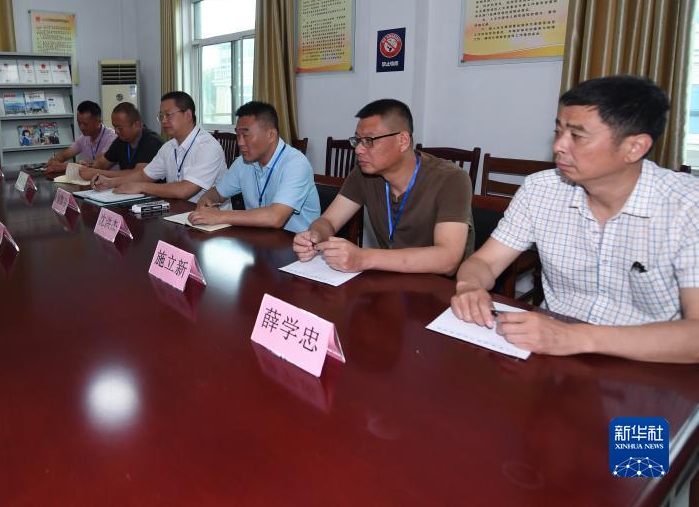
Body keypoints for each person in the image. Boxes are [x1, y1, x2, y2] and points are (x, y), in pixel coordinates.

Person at [452, 75, 699, 364]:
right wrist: (470, 287)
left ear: (635, 147)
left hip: (649, 362)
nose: (559, 145)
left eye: (577, 136)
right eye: (558, 132)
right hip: (551, 354)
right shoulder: (541, 189)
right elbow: (484, 262)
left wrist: (575, 337)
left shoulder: (687, 207)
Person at [293, 99, 473, 274]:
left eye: (368, 140)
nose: (358, 149)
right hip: (390, 277)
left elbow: (447, 259)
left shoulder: (451, 178)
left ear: (403, 140)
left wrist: (363, 258)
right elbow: (329, 221)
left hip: (443, 286)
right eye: (357, 140)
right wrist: (314, 236)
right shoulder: (364, 173)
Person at [189, 101, 319, 232]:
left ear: (271, 135)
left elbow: (275, 217)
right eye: (238, 135)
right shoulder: (243, 162)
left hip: (296, 241)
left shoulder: (296, 164)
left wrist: (220, 216)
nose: (240, 143)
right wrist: (206, 201)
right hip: (258, 237)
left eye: (246, 135)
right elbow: (217, 193)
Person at [92, 91, 226, 203]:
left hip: (210, 219)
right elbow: (144, 175)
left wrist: (141, 187)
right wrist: (110, 182)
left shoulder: (208, 147)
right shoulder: (169, 147)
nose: (164, 121)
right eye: (161, 116)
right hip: (177, 213)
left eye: (168, 115)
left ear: (188, 115)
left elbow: (184, 190)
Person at [78, 102, 163, 180]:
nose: (116, 132)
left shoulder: (152, 141)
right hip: (127, 189)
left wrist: (97, 173)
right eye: (114, 127)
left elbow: (138, 174)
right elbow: (102, 163)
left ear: (136, 125)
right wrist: (88, 166)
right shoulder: (121, 140)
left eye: (120, 128)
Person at [45, 101, 116, 174]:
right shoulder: (84, 137)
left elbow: (99, 165)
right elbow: (64, 155)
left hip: (110, 179)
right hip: (91, 178)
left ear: (98, 122)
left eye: (86, 124)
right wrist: (54, 161)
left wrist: (65, 166)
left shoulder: (112, 137)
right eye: (79, 123)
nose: (81, 127)